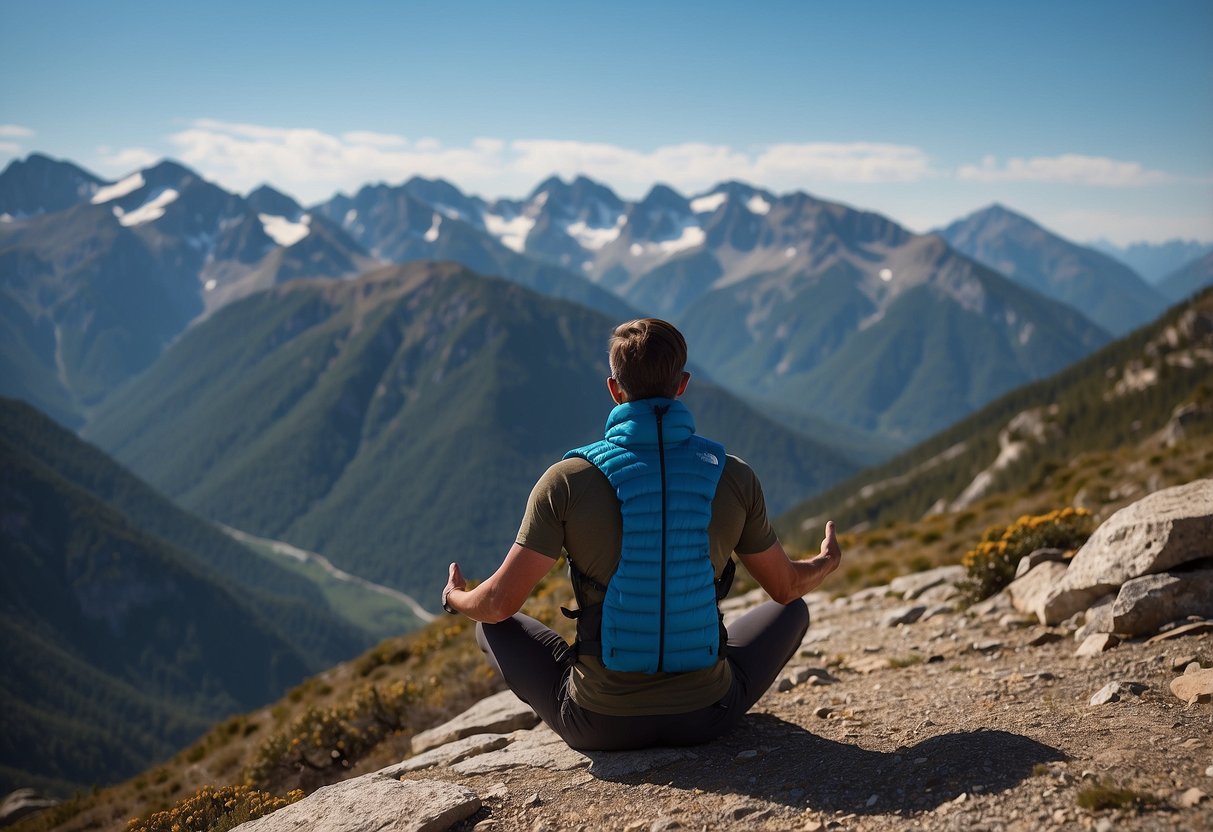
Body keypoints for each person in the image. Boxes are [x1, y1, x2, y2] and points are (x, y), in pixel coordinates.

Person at [441, 318, 842, 751]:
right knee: (793, 610)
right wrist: (825, 562)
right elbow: (784, 587)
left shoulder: (568, 480)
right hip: (707, 716)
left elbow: (499, 604)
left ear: (614, 389)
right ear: (683, 384)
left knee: (492, 626)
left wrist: (455, 598)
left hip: (598, 724)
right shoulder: (734, 476)